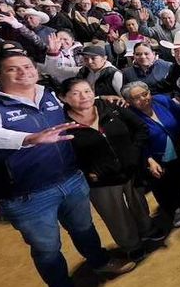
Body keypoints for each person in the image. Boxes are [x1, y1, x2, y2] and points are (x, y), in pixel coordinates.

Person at [0, 52, 134, 287]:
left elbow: (77, 98)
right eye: (13, 69)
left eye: (27, 66)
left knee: (84, 228)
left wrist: (102, 97)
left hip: (71, 180)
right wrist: (29, 139)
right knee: (47, 248)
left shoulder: (48, 96)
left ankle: (100, 262)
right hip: (27, 194)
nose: (24, 72)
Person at [60, 78, 163, 261]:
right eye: (75, 93)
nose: (84, 97)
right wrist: (88, 172)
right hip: (101, 180)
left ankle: (147, 229)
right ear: (63, 98)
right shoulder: (62, 124)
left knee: (139, 202)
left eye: (87, 91)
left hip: (130, 169)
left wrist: (135, 152)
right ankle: (131, 244)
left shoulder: (110, 106)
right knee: (115, 214)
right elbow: (65, 155)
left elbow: (140, 128)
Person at [122, 81, 180, 228]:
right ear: (128, 101)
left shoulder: (162, 100)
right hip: (154, 157)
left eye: (145, 93)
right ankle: (174, 210)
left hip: (177, 147)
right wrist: (149, 160)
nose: (144, 99)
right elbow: (136, 142)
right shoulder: (128, 116)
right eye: (137, 98)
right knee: (163, 186)